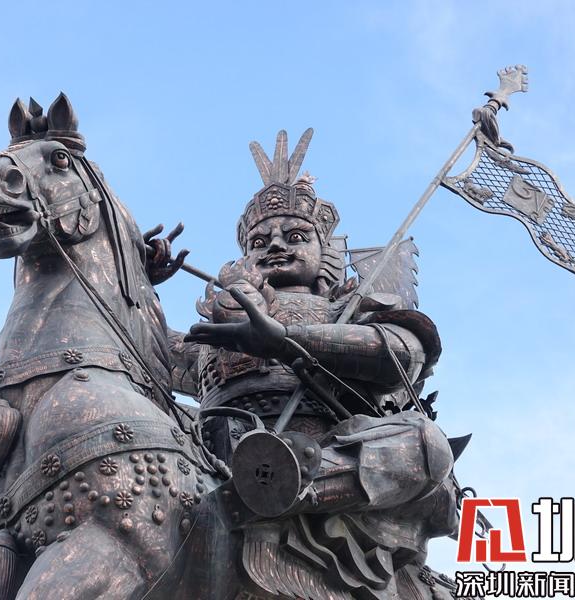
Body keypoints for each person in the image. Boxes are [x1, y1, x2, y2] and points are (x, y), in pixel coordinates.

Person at [168, 129, 461, 600]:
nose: (274, 245)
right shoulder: (215, 328)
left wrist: (286, 340)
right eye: (259, 240)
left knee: (427, 445)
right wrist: (135, 280)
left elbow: (404, 352)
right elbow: (135, 349)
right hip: (213, 445)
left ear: (325, 252)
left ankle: (290, 486)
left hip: (321, 448)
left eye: (295, 236)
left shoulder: (346, 309)